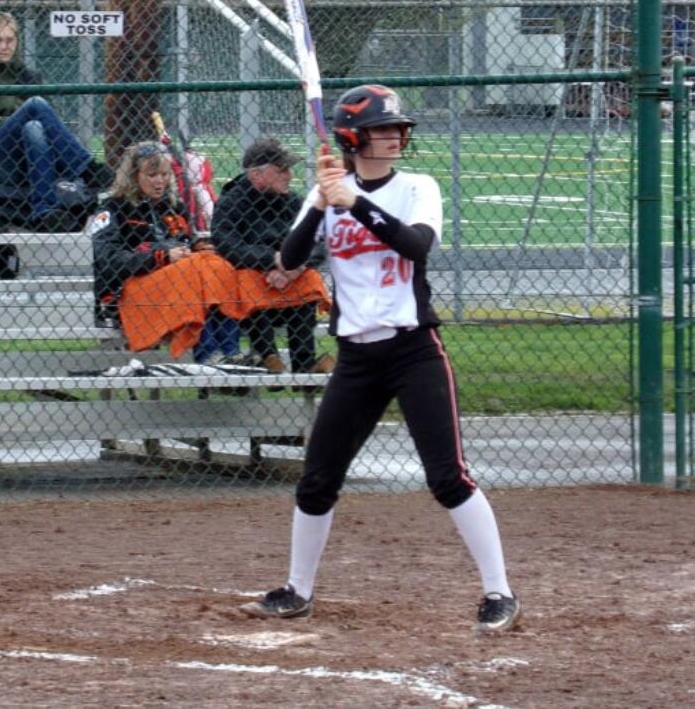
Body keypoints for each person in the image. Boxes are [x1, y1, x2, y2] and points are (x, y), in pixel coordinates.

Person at [240, 85, 520, 634]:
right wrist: (322, 202)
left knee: (448, 477)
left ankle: (499, 591)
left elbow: (416, 247)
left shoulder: (417, 187)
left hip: (413, 350)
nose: (395, 136)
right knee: (317, 479)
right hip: (355, 359)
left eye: (396, 128)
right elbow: (290, 261)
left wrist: (354, 203)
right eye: (381, 129)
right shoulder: (328, 194)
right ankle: (297, 590)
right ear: (352, 137)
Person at [91, 142, 327, 358]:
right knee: (202, 268)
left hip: (179, 283)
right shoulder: (113, 208)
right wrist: (160, 256)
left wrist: (196, 246)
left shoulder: (174, 207)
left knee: (215, 264)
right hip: (132, 289)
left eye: (164, 174)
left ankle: (228, 354)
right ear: (133, 177)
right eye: (151, 175)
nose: (159, 181)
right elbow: (107, 258)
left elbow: (187, 241)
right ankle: (211, 356)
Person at [0, 11, 112, 231]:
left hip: (31, 160)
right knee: (34, 105)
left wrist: (20, 117)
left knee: (34, 125)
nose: (5, 46)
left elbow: (49, 128)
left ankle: (44, 211)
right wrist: (6, 121)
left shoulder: (28, 77)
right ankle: (87, 168)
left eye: (10, 40)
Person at [211, 137, 335, 375]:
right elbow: (227, 245)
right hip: (257, 280)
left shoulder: (293, 202)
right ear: (256, 175)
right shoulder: (231, 202)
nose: (289, 175)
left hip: (291, 277)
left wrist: (293, 268)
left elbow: (320, 241)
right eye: (281, 170)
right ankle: (267, 356)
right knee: (247, 280)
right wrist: (271, 260)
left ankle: (304, 362)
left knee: (309, 280)